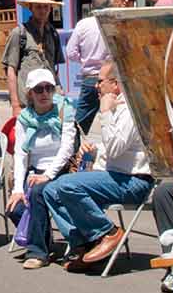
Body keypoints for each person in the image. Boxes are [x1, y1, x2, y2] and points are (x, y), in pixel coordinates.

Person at [41, 59, 156, 271]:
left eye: (100, 81)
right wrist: (94, 153)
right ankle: (85, 243)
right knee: (50, 190)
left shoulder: (131, 109)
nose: (96, 85)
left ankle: (107, 232)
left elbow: (116, 148)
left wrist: (105, 113)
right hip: (115, 177)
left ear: (116, 84)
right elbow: (111, 152)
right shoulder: (114, 108)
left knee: (67, 184)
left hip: (134, 181)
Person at [11, 68, 79, 268]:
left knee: (37, 193)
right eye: (39, 89)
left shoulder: (64, 110)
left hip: (60, 170)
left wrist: (48, 175)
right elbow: (21, 154)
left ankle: (38, 252)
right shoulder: (24, 118)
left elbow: (67, 148)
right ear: (30, 93)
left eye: (49, 88)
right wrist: (16, 189)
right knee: (15, 207)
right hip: (35, 171)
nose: (44, 94)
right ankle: (45, 241)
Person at [2, 0, 65, 117]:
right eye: (38, 7)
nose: (42, 10)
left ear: (50, 8)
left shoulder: (53, 34)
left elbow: (54, 68)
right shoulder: (19, 33)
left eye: (45, 7)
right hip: (27, 102)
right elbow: (11, 70)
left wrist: (60, 90)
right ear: (31, 8)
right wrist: (15, 105)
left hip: (50, 100)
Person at [65, 0, 113, 134]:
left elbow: (70, 52)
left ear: (92, 7)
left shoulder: (83, 25)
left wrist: (84, 60)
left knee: (80, 123)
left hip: (90, 78)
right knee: (112, 118)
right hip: (110, 79)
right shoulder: (110, 23)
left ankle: (74, 149)